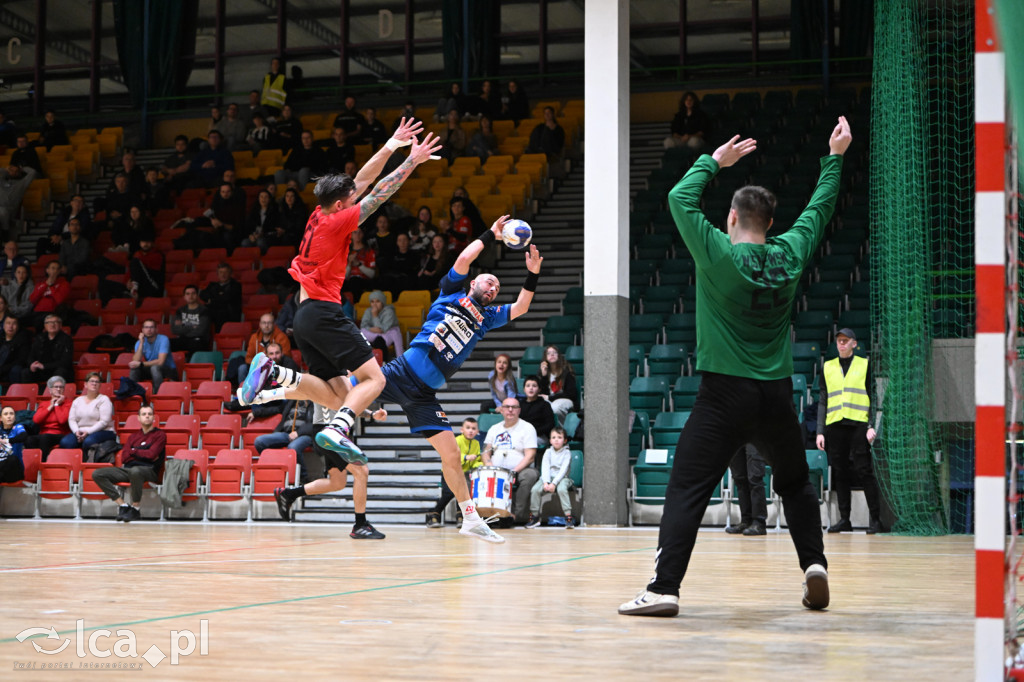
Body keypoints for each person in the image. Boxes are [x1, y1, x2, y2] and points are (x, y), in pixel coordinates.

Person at [618, 118, 851, 617]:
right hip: (776, 395)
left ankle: (663, 589)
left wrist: (714, 160)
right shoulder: (789, 253)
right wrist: (834, 157)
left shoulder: (717, 253)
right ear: (770, 222)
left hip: (724, 395)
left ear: (730, 219)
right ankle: (814, 565)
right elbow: (819, 208)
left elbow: (680, 199)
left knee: (687, 487)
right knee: (793, 483)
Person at [253, 214, 544, 545]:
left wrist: (532, 274)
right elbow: (464, 258)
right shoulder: (452, 292)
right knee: (338, 396)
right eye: (488, 281)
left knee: (450, 455)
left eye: (496, 287)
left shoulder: (488, 318)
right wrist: (490, 235)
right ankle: (273, 386)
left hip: (424, 396)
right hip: (401, 372)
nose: (492, 287)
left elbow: (520, 307)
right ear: (473, 283)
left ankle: (471, 518)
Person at [235, 117, 435, 459]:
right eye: (350, 198)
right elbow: (379, 193)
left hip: (303, 316)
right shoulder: (339, 221)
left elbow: (363, 180)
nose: (354, 197)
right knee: (376, 380)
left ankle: (276, 372)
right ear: (342, 205)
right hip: (325, 313)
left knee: (332, 391)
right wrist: (411, 161)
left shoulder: (319, 213)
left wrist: (392, 143)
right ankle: (340, 428)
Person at [274, 402, 386, 539]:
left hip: (335, 432)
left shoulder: (343, 383)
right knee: (361, 471)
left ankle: (289, 494)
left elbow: (348, 403)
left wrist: (372, 414)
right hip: (328, 432)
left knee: (337, 483)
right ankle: (360, 525)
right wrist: (370, 413)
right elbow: (345, 400)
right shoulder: (332, 381)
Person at [816, 327, 883, 534]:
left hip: (859, 425)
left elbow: (873, 395)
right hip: (835, 425)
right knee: (840, 473)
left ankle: (876, 520)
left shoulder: (864, 365)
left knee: (864, 471)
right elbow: (822, 400)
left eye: (845, 341)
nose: (841, 344)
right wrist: (820, 430)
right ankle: (845, 519)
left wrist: (872, 425)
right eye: (839, 341)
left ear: (854, 343)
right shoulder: (827, 367)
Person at [91, 404, 166, 522]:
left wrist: (134, 451)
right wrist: (143, 452)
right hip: (128, 469)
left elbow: (152, 455)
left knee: (136, 471)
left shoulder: (160, 435)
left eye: (149, 414)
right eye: (144, 414)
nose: (147, 416)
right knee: (98, 473)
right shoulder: (133, 436)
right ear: (139, 418)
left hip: (149, 470)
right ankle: (123, 505)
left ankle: (135, 508)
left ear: (153, 418)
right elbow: (125, 457)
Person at [482, 396, 540, 525]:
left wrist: (514, 471)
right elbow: (486, 452)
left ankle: (516, 516)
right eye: (507, 407)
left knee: (529, 475)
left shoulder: (527, 428)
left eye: (514, 407)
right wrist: (489, 465)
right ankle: (486, 514)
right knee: (471, 475)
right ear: (501, 410)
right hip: (496, 471)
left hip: (520, 470)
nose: (510, 410)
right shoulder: (494, 429)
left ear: (519, 410)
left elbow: (530, 456)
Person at [425, 417, 482, 527]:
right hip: (449, 471)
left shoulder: (476, 444)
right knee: (449, 492)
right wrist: (465, 457)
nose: (471, 430)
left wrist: (479, 465)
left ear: (477, 432)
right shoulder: (456, 440)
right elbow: (450, 456)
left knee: (462, 493)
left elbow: (476, 461)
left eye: (473, 428)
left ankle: (460, 517)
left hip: (463, 474)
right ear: (462, 430)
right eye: (468, 428)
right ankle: (434, 514)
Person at [525, 426, 575, 529]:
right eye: (554, 437)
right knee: (535, 490)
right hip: (547, 478)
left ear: (565, 440)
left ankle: (568, 517)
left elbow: (563, 470)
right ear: (550, 440)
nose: (556, 439)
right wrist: (546, 482)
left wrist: (554, 483)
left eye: (559, 437)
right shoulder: (547, 452)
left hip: (562, 478)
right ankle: (534, 517)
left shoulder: (567, 453)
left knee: (562, 489)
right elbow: (545, 468)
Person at [60, 372, 116, 451]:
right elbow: (72, 419)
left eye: (97, 382)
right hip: (80, 431)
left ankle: (86, 462)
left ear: (100, 385)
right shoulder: (77, 400)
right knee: (65, 442)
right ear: (85, 384)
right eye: (92, 381)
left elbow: (104, 421)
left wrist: (88, 431)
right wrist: (76, 431)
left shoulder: (104, 399)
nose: (94, 383)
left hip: (103, 431)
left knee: (89, 441)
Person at [234, 313, 291, 387]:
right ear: (260, 324)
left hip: (276, 367)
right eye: (264, 323)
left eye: (269, 323)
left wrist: (269, 363)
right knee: (242, 368)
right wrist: (260, 364)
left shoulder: (281, 337)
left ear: (274, 324)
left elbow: (285, 356)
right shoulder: (254, 338)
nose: (266, 326)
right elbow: (248, 358)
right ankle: (244, 392)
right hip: (258, 368)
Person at [0, 134, 41, 235]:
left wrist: (21, 169)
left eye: (23, 141)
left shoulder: (21, 184)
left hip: (8, 209)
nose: (21, 144)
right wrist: (7, 169)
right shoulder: (2, 181)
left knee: (3, 212)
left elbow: (33, 173)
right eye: (19, 141)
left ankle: (5, 234)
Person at [725, 443, 768, 536]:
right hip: (735, 434)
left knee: (754, 479)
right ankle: (746, 521)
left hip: (755, 433)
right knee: (739, 479)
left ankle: (759, 523)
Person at [27, 376, 71, 458]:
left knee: (45, 438)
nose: (58, 389)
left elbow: (62, 420)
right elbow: (36, 420)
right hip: (44, 434)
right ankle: (33, 463)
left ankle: (42, 464)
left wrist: (57, 405)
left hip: (60, 434)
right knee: (29, 440)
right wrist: (50, 406)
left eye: (61, 387)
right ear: (50, 390)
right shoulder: (45, 404)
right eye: (56, 387)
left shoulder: (68, 404)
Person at [129, 319, 177, 392]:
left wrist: (141, 364)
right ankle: (134, 395)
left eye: (151, 327)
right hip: (151, 369)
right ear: (142, 330)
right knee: (135, 369)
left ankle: (158, 396)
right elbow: (135, 360)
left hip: (168, 370)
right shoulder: (139, 342)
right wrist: (141, 343)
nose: (149, 330)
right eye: (146, 327)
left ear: (156, 329)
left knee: (155, 368)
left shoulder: (163, 339)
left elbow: (160, 362)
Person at [25, 314, 73, 384]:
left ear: (60, 325)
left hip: (56, 369)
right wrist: (32, 364)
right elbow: (31, 356)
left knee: (61, 371)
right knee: (26, 372)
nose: (52, 325)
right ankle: (27, 394)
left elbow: (65, 362)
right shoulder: (39, 338)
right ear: (45, 326)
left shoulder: (66, 339)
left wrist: (44, 366)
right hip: (41, 370)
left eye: (55, 322)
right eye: (49, 323)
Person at [39, 194, 89, 259]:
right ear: (71, 203)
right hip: (58, 240)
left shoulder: (85, 216)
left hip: (71, 241)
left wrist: (61, 237)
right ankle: (40, 261)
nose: (78, 203)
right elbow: (55, 226)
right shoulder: (64, 213)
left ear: (83, 205)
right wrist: (53, 235)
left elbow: (81, 230)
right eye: (76, 200)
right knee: (41, 241)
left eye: (80, 201)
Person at [537, 345, 579, 421]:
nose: (552, 354)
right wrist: (544, 376)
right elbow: (543, 393)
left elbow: (571, 394)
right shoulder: (544, 372)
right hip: (550, 400)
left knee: (555, 407)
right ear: (545, 357)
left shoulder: (566, 372)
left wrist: (550, 397)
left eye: (554, 353)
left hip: (565, 399)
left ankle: (561, 430)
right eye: (549, 353)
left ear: (559, 356)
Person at [360, 289, 404, 357]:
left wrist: (375, 316)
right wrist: (372, 329)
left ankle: (389, 360)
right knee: (361, 332)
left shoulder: (389, 312)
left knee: (394, 332)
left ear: (382, 302)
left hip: (387, 335)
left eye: (377, 301)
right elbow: (363, 325)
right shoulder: (368, 311)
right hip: (374, 334)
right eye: (372, 302)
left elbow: (382, 329)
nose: (374, 304)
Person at [200, 262, 242, 332]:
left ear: (230, 273)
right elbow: (202, 294)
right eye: (221, 272)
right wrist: (217, 297)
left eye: (226, 272)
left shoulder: (236, 285)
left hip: (228, 314)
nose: (223, 275)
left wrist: (211, 300)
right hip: (213, 312)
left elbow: (226, 299)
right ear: (217, 274)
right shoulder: (212, 285)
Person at [28, 262, 70, 331]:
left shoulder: (64, 284)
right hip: (37, 313)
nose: (55, 271)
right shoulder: (40, 284)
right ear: (47, 270)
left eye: (57, 269)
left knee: (40, 322)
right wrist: (45, 285)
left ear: (59, 271)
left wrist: (51, 286)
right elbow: (32, 300)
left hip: (52, 313)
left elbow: (60, 300)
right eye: (53, 268)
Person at [170, 285, 212, 355]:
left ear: (197, 295)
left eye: (193, 293)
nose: (190, 296)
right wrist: (193, 326)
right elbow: (174, 329)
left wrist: (183, 325)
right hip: (183, 339)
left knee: (195, 345)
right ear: (184, 297)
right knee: (167, 343)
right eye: (188, 294)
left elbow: (201, 331)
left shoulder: (204, 310)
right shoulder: (180, 310)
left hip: (199, 340)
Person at [519, 375, 555, 449]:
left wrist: (532, 432)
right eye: (528, 386)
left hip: (539, 436)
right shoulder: (520, 404)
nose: (531, 388)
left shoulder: (545, 405)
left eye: (534, 386)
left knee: (525, 443)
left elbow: (549, 425)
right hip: (522, 435)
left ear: (539, 389)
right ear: (524, 389)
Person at [128, 233, 164, 304]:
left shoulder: (157, 255)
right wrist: (128, 281)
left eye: (147, 242)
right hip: (139, 284)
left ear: (152, 243)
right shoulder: (137, 254)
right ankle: (133, 289)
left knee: (135, 261)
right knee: (106, 283)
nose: (145, 244)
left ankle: (134, 288)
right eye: (143, 242)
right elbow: (131, 271)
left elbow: (151, 272)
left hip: (152, 285)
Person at [341, 228, 377, 299]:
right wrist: (350, 264)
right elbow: (343, 277)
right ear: (351, 235)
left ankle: (356, 305)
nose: (357, 235)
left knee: (355, 281)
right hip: (349, 281)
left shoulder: (369, 251)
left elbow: (372, 274)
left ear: (363, 234)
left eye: (360, 232)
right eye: (355, 232)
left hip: (364, 281)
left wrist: (358, 264)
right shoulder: (346, 252)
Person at [0, 405, 28, 484]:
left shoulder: (18, 428)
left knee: (12, 459)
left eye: (11, 414)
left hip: (14, 470)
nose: (9, 416)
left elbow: (23, 436)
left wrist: (7, 440)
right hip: (2, 471)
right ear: (1, 418)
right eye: (6, 414)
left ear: (15, 417)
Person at [0, 315, 31, 384]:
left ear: (18, 326)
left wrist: (3, 369)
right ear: (3, 325)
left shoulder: (23, 339)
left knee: (16, 369)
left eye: (14, 323)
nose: (10, 326)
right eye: (8, 323)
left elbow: (21, 360)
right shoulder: (1, 337)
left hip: (10, 368)